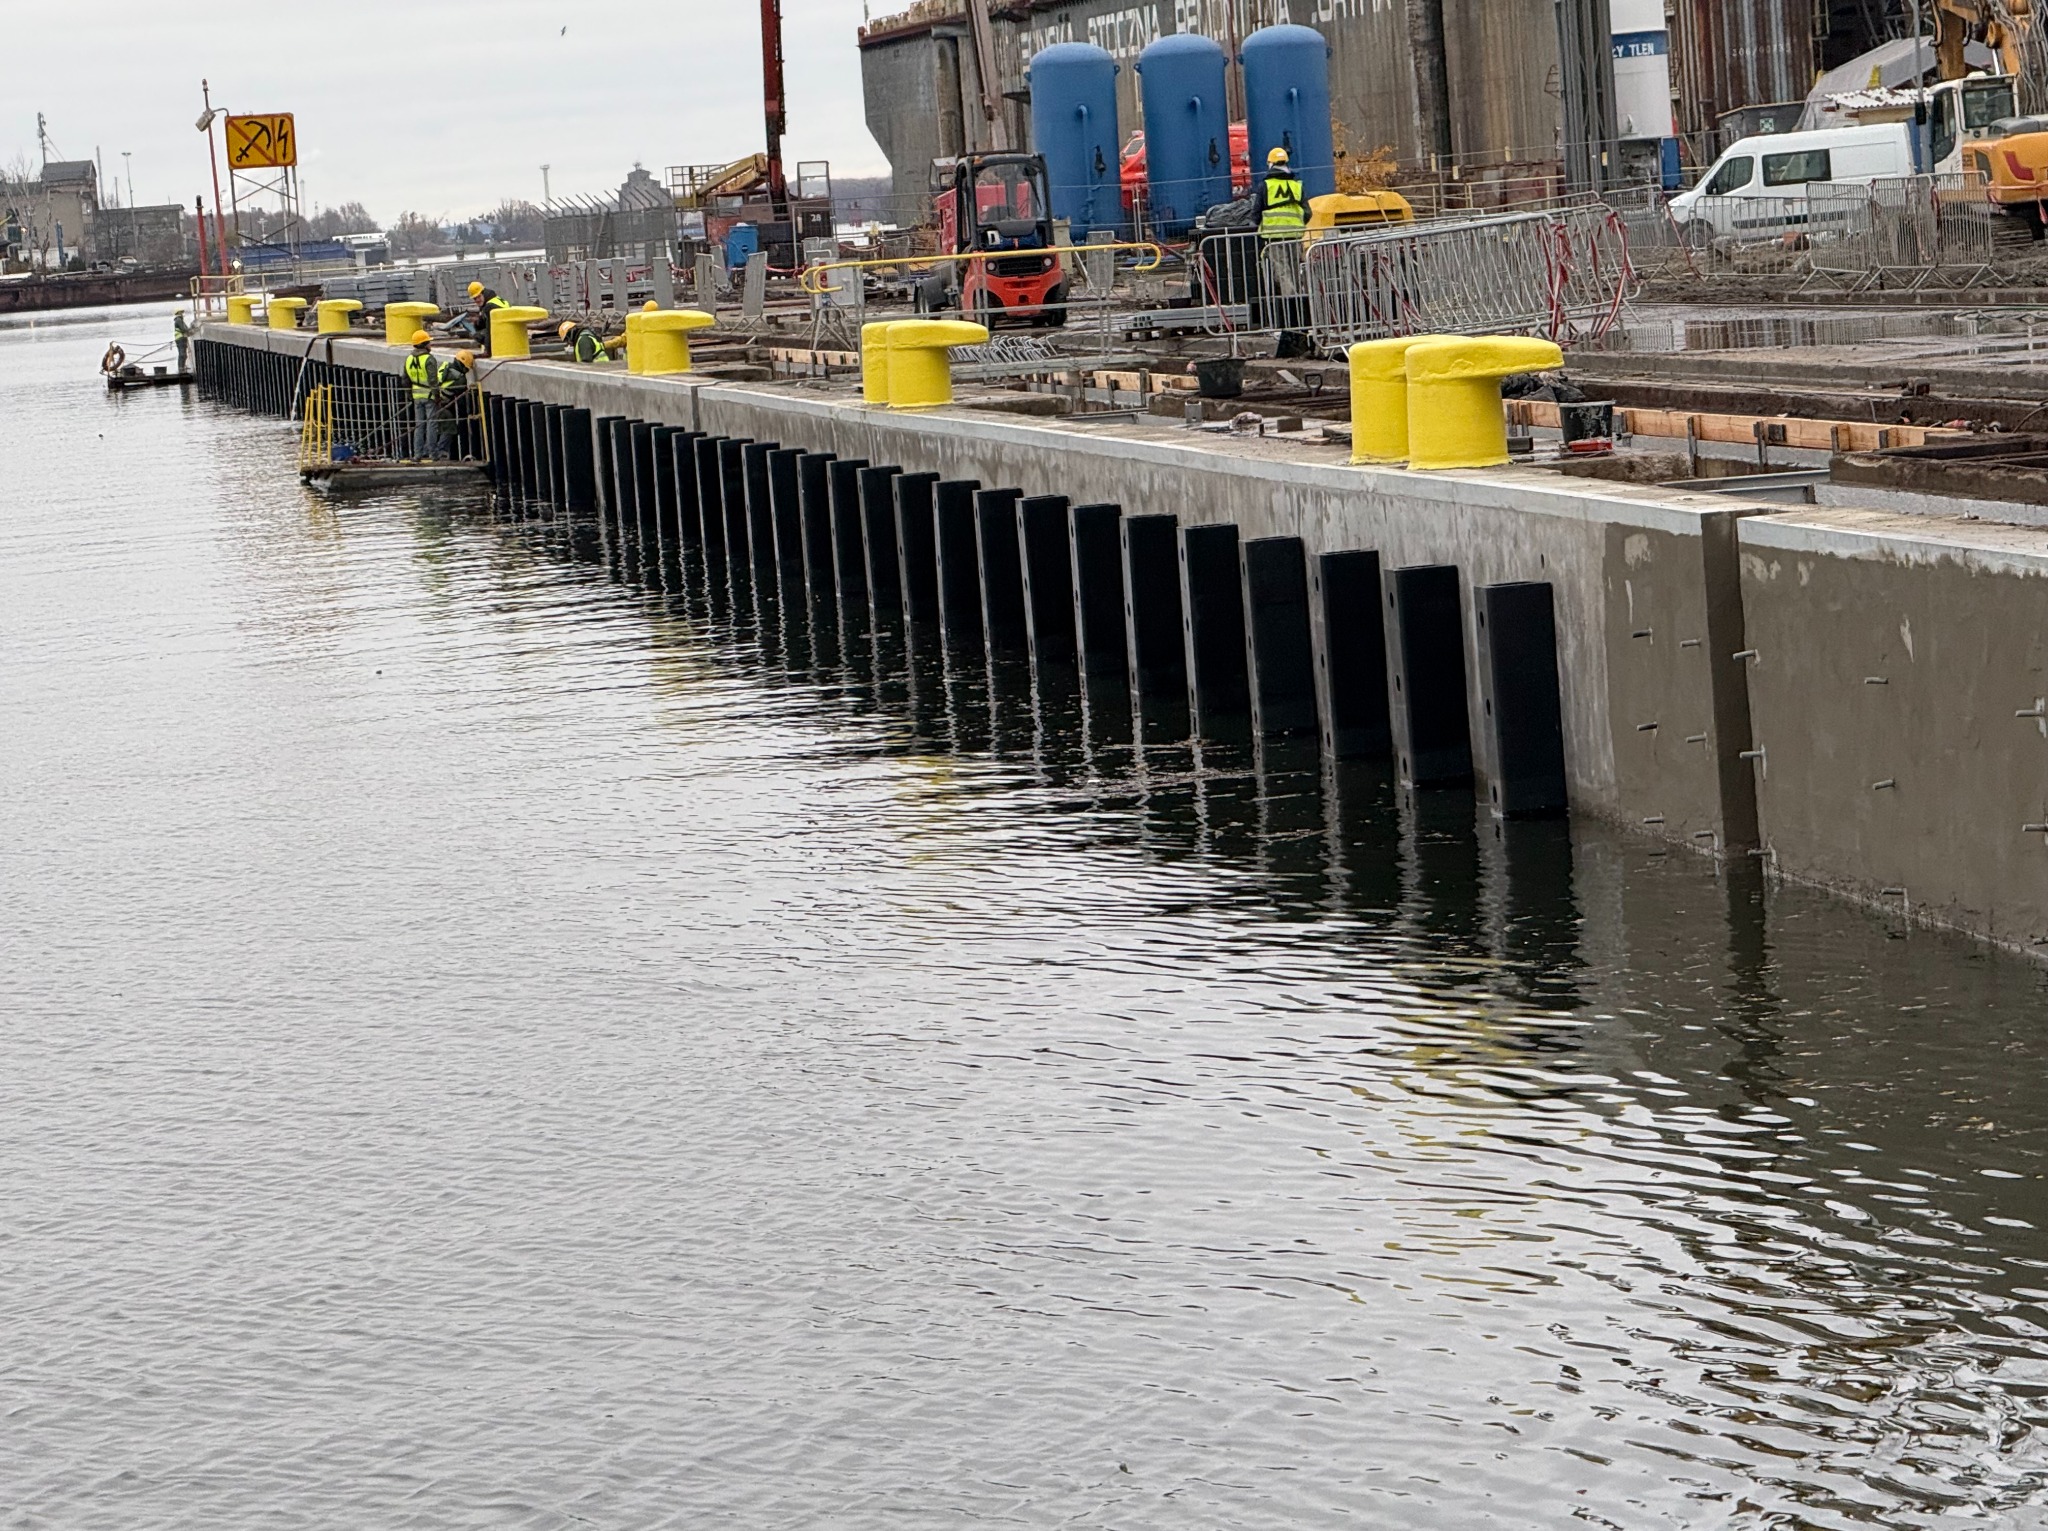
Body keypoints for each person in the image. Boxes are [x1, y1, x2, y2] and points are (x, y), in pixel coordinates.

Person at [1253, 146, 1307, 299]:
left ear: (1270, 164)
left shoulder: (1266, 186)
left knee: (1282, 270)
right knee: (1295, 268)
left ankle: (1290, 302)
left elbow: (1256, 212)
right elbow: (1307, 211)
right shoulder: (1296, 185)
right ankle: (1300, 301)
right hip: (1295, 234)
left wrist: (1257, 226)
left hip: (1275, 236)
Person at [404, 331, 440, 460]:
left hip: (416, 396)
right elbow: (433, 380)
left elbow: (405, 379)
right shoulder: (429, 359)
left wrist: (409, 394)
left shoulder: (409, 359)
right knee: (432, 425)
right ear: (424, 344)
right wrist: (437, 396)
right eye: (429, 342)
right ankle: (433, 454)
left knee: (419, 426)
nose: (430, 344)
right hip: (428, 395)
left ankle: (417, 454)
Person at [435, 349, 476, 459]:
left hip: (433, 400)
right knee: (450, 428)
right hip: (443, 405)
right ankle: (440, 451)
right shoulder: (460, 378)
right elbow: (461, 395)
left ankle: (430, 450)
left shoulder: (445, 366)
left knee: (435, 427)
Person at [468, 281, 509, 356]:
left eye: (478, 297)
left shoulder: (488, 307)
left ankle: (490, 349)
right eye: (474, 299)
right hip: (508, 332)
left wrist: (487, 351)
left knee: (478, 335)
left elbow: (489, 329)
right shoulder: (495, 299)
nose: (477, 300)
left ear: (483, 293)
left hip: (502, 335)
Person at [172, 310, 191, 374]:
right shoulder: (179, 320)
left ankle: (182, 367)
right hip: (180, 339)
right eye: (182, 313)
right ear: (179, 313)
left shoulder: (180, 320)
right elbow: (184, 329)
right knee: (182, 354)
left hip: (182, 338)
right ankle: (181, 368)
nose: (183, 314)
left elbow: (185, 328)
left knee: (184, 355)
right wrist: (190, 330)